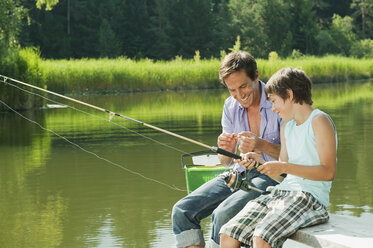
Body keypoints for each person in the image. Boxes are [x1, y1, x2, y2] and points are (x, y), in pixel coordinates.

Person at [172, 51, 283, 248]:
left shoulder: (279, 100)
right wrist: (226, 150)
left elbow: (293, 157)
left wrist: (261, 144)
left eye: (243, 86)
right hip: (239, 174)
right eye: (232, 90)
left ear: (256, 76)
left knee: (222, 214)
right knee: (182, 211)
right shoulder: (230, 106)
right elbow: (226, 162)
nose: (239, 95)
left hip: (273, 177)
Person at [220, 67, 338, 248]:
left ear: (289, 95)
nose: (273, 109)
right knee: (228, 232)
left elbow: (328, 172)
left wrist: (283, 167)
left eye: (274, 101)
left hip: (310, 199)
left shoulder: (319, 120)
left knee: (262, 236)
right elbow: (282, 176)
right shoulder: (286, 128)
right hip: (281, 193)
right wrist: (260, 163)